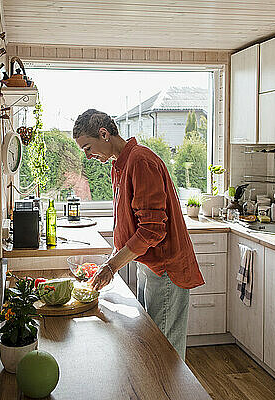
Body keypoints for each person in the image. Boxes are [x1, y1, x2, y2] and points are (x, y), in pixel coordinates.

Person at [72, 109, 205, 359]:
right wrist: (112, 261)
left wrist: (111, 266)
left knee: (163, 352)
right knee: (151, 342)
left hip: (165, 269)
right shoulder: (120, 166)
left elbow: (152, 230)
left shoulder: (140, 161)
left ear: (104, 134)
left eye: (88, 147)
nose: (88, 156)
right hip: (150, 266)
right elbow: (128, 222)